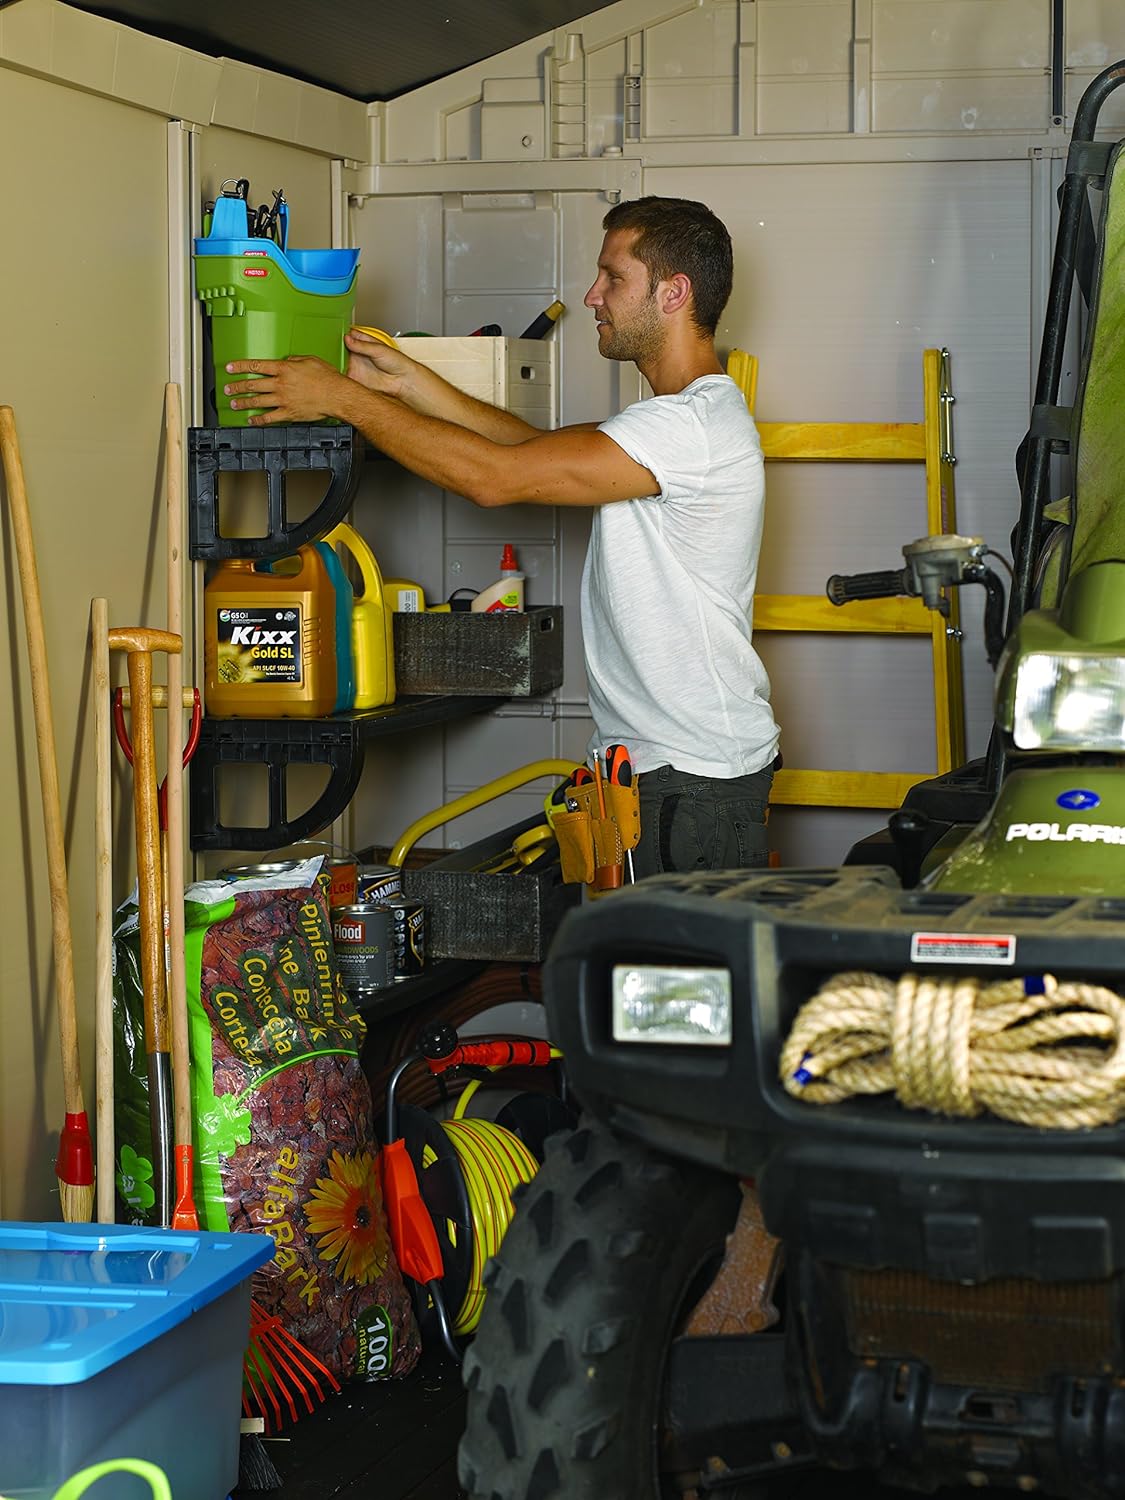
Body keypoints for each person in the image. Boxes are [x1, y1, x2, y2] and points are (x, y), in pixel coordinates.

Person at [224, 195, 780, 876]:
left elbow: (494, 478)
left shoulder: (686, 428)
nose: (592, 295)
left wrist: (345, 400)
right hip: (671, 773)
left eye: (613, 277)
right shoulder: (676, 420)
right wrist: (411, 385)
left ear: (673, 293)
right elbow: (529, 447)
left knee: (664, 950)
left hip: (691, 783)